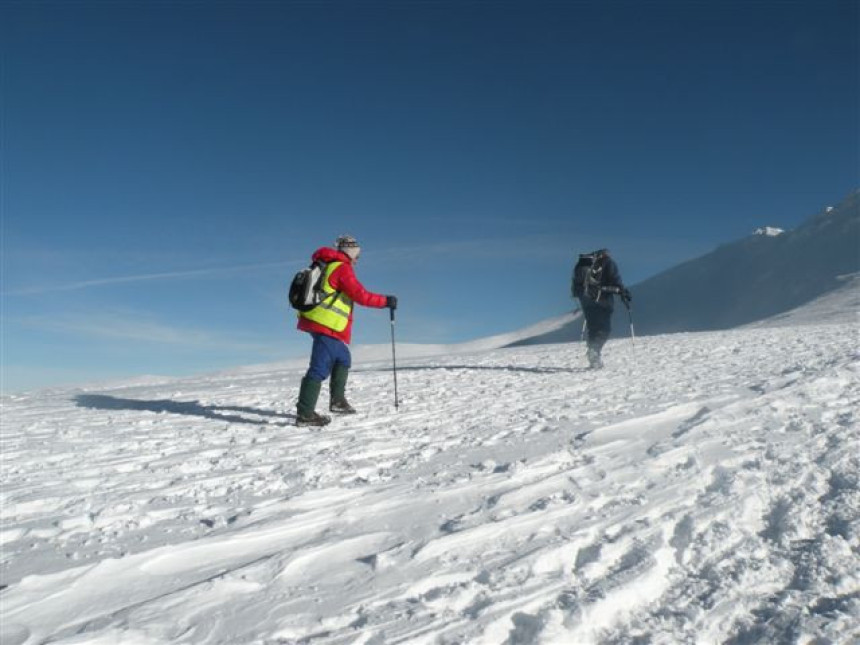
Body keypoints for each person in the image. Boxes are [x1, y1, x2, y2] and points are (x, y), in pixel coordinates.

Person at [295, 235, 397, 427]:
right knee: (319, 367)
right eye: (357, 256)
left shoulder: (329, 264)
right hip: (326, 324)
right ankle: (305, 413)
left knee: (343, 357)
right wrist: (386, 301)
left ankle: (337, 402)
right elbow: (361, 295)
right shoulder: (342, 268)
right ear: (350, 254)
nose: (358, 259)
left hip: (322, 322)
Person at [573, 248, 630, 369]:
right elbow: (615, 279)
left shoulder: (585, 265)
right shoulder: (608, 262)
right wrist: (623, 292)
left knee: (593, 327)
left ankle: (594, 355)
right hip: (602, 300)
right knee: (604, 329)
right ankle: (594, 351)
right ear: (605, 254)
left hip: (585, 300)